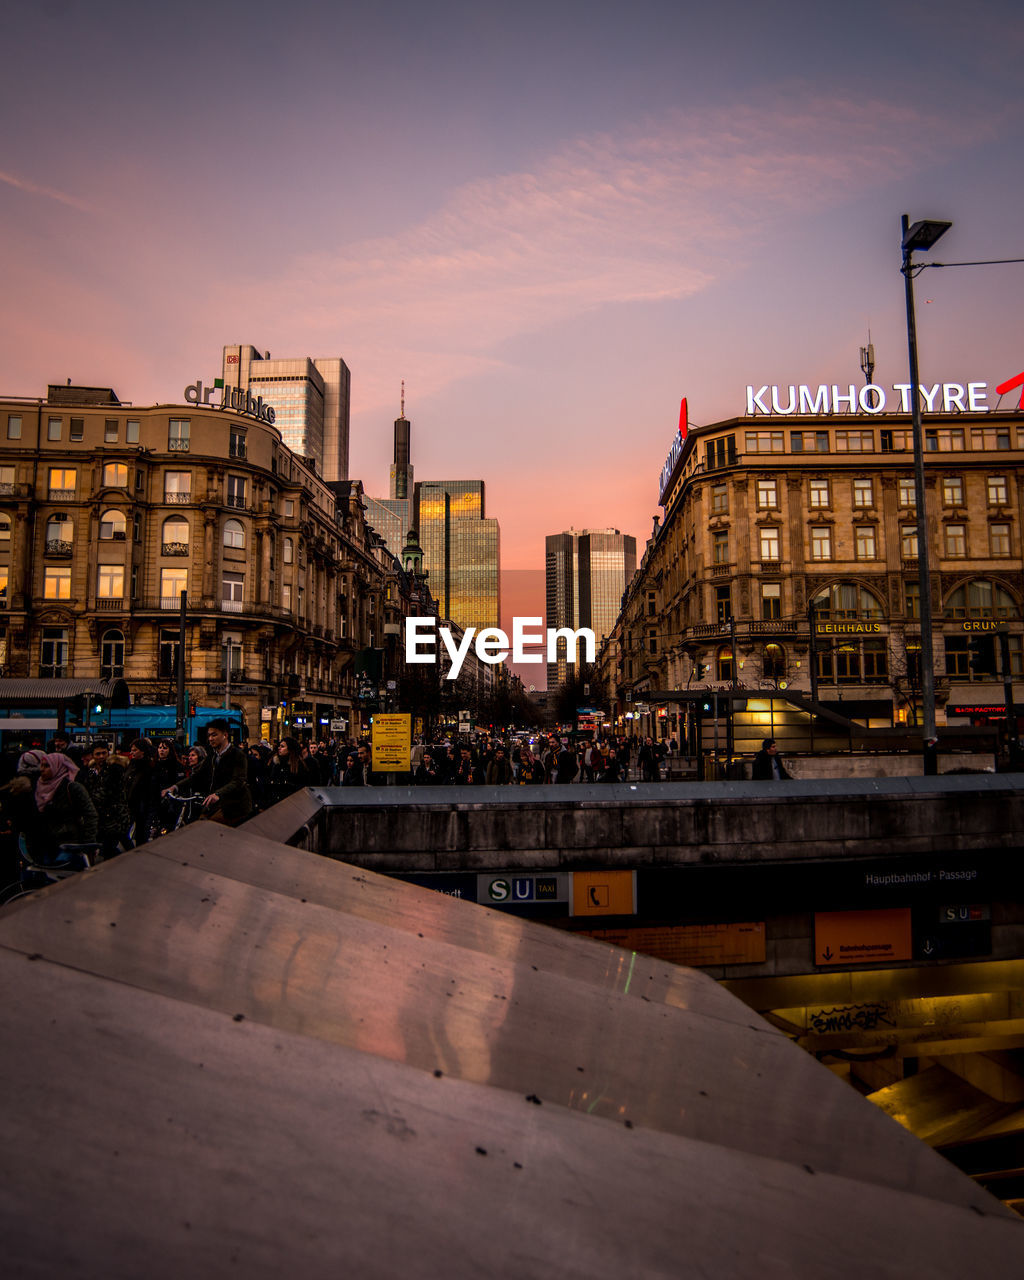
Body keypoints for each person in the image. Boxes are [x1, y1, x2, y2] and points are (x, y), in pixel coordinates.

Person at [30, 753, 98, 864]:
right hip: (46, 845)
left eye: (47, 766)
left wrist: (88, 843)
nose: (42, 769)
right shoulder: (38, 788)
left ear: (57, 767)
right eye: (41, 765)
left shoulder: (72, 787)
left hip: (70, 844)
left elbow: (90, 814)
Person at [80, 740, 130, 859]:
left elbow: (106, 793)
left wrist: (88, 801)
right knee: (114, 846)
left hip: (115, 817)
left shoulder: (115, 769)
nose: (101, 756)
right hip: (101, 818)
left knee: (109, 848)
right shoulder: (91, 771)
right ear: (92, 755)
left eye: (104, 753)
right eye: (98, 754)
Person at [201, 719, 253, 825]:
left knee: (209, 825)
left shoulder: (238, 755)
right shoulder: (212, 756)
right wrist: (175, 787)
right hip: (216, 805)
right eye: (209, 735)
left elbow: (238, 780)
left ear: (225, 735)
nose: (210, 739)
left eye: (214, 735)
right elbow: (198, 776)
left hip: (235, 807)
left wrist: (218, 794)